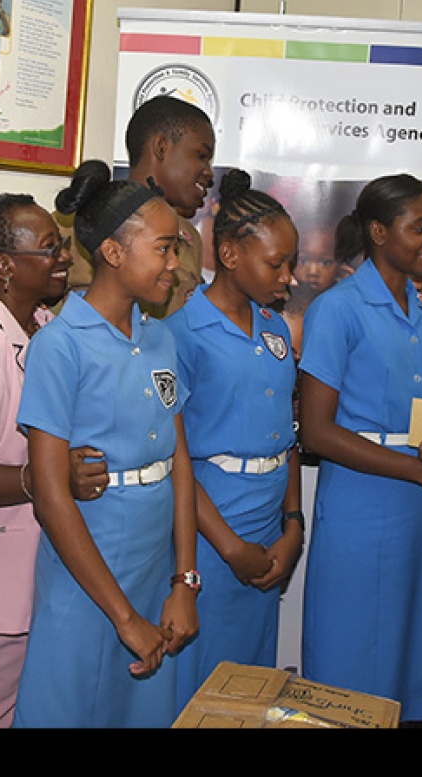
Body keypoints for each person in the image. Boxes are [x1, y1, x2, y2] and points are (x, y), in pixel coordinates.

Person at [14, 160, 200, 727]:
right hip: (86, 577)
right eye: (164, 248)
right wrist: (123, 618)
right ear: (114, 253)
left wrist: (185, 581)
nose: (175, 264)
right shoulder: (60, 346)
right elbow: (50, 495)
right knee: (71, 706)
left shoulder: (160, 338)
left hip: (153, 572)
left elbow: (179, 464)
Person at [296, 173, 422, 725]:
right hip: (363, 505)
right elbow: (317, 431)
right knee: (352, 655)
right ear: (378, 231)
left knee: (410, 648)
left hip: (420, 512)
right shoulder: (338, 309)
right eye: (419, 227)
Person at [0, 192, 107, 728]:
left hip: (36, 568)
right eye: (50, 248)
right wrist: (51, 478)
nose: (64, 259)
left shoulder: (47, 332)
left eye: (63, 246)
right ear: (4, 265)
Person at [164, 169, 303, 711]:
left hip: (266, 535)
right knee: (202, 686)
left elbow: (287, 437)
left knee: (249, 684)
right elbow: (174, 457)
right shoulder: (183, 332)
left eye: (291, 262)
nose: (289, 277)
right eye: (276, 264)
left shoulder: (274, 330)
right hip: (210, 531)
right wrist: (228, 548)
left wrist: (293, 527)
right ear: (228, 253)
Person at [60, 94, 215, 318]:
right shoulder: (77, 224)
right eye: (201, 156)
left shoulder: (189, 238)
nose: (209, 172)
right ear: (161, 147)